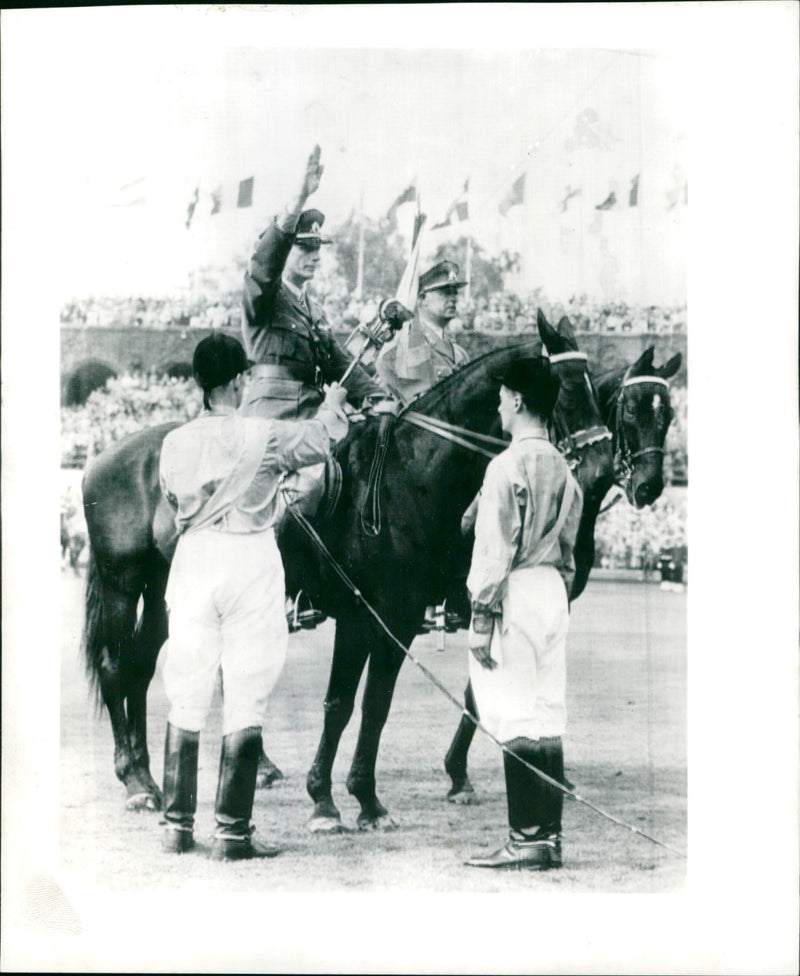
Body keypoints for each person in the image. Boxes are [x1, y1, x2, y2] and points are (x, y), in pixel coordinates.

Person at [158, 333, 349, 861]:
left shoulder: (174, 442)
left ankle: (176, 825)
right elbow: (317, 443)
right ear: (240, 380)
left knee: (188, 689)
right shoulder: (262, 433)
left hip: (194, 559)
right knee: (246, 689)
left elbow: (173, 495)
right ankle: (232, 832)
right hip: (249, 558)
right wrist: (333, 407)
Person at [462, 357, 583, 871]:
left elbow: (493, 549)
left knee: (513, 713)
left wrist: (482, 617)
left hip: (514, 588)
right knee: (546, 712)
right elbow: (574, 546)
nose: (497, 403)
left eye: (501, 395)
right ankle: (547, 837)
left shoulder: (504, 467)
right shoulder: (564, 466)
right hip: (553, 588)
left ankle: (526, 838)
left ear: (515, 400)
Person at [241, 144, 382, 423]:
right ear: (284, 252)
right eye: (305, 248)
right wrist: (298, 199)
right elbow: (265, 264)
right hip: (272, 415)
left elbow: (342, 365)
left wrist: (380, 399)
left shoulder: (316, 311)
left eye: (318, 248)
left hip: (313, 409)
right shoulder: (265, 295)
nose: (315, 257)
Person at [375, 259, 470, 406]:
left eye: (454, 292)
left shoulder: (460, 354)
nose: (453, 298)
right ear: (421, 299)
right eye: (445, 292)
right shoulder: (404, 343)